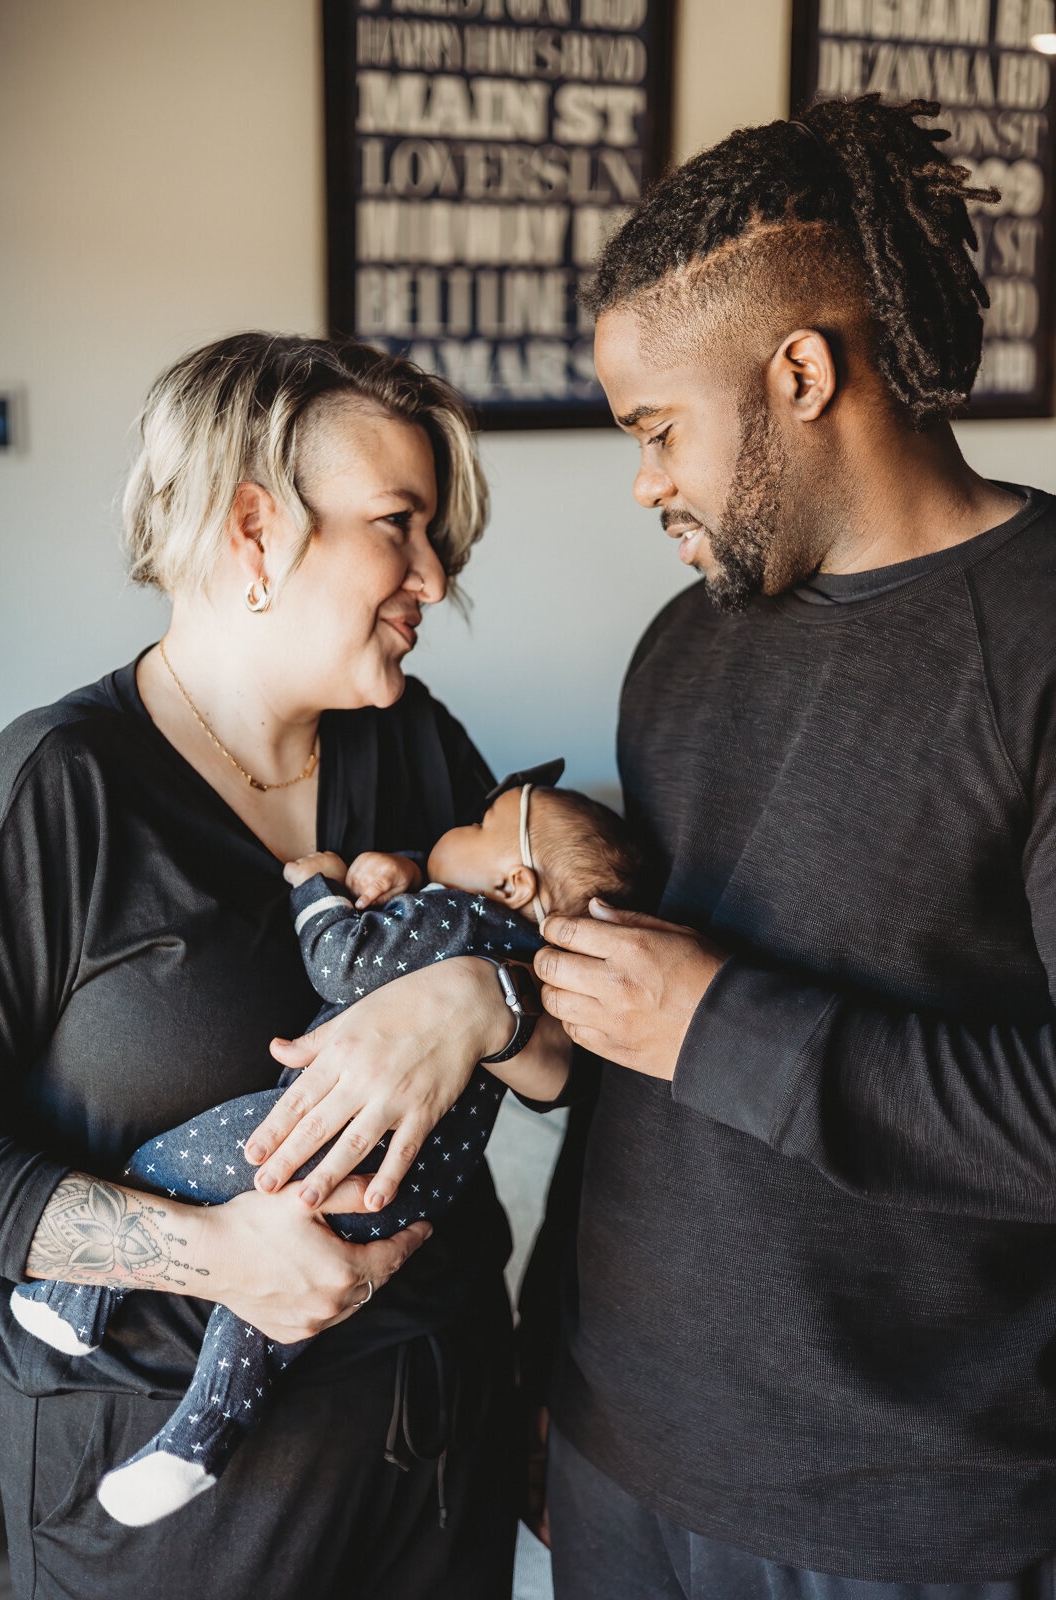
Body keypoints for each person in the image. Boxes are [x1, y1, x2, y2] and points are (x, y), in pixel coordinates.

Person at [527, 94, 1056, 1597]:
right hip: (621, 1458)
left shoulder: (1034, 645)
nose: (643, 482)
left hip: (918, 1519)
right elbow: (631, 1076)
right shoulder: (679, 652)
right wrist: (543, 1367)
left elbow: (686, 1028)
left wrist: (714, 1023)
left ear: (801, 375)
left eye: (655, 431)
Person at [0, 332, 566, 1600]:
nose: (436, 572)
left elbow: (556, 1060)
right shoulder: (61, 788)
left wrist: (481, 999)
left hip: (429, 1457)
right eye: (398, 524)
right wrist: (217, 1255)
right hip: (159, 1512)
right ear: (254, 527)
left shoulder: (414, 744)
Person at [9, 774, 645, 1528]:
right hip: (395, 1193)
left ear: (510, 882)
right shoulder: (518, 949)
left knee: (160, 1167)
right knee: (267, 1318)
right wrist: (406, 869)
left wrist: (319, 889)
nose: (459, 824)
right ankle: (198, 1441)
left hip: (317, 1139)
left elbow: (343, 962)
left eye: (478, 823)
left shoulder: (458, 912)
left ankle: (79, 1296)